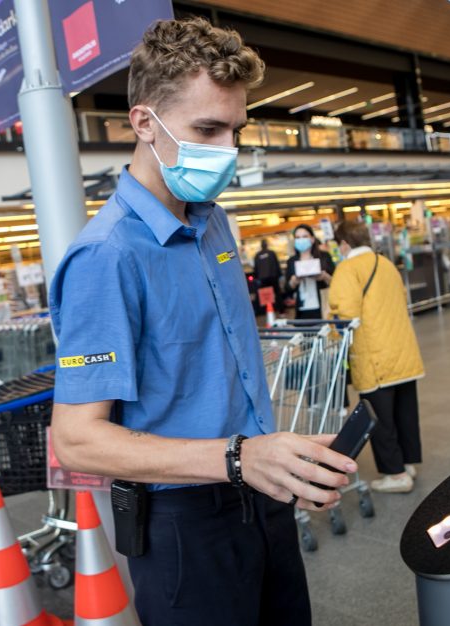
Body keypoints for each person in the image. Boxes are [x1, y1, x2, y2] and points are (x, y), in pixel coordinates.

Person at [48, 17, 357, 626]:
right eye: (206, 129)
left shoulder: (211, 220)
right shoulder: (106, 257)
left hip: (262, 497)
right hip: (185, 526)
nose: (225, 151)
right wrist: (241, 457)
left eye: (234, 130)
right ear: (144, 123)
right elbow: (76, 438)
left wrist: (279, 460)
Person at [328, 220, 425, 494]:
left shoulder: (347, 268)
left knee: (380, 418)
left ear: (344, 244)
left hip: (375, 355)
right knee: (405, 411)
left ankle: (395, 474)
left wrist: (333, 336)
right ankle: (407, 464)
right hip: (402, 349)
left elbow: (346, 315)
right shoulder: (385, 263)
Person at [284, 224, 335, 319]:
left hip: (323, 308)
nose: (301, 240)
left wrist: (324, 276)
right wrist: (293, 281)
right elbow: (287, 288)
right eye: (298, 237)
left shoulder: (324, 257)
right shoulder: (292, 261)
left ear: (312, 239)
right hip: (302, 310)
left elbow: (336, 282)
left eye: (305, 236)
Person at [254, 239, 282, 311]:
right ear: (267, 245)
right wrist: (279, 275)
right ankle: (281, 310)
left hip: (263, 278)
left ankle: (268, 310)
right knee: (277, 293)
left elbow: (256, 268)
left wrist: (257, 277)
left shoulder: (257, 255)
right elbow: (277, 264)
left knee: (266, 295)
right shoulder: (271, 253)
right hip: (273, 277)